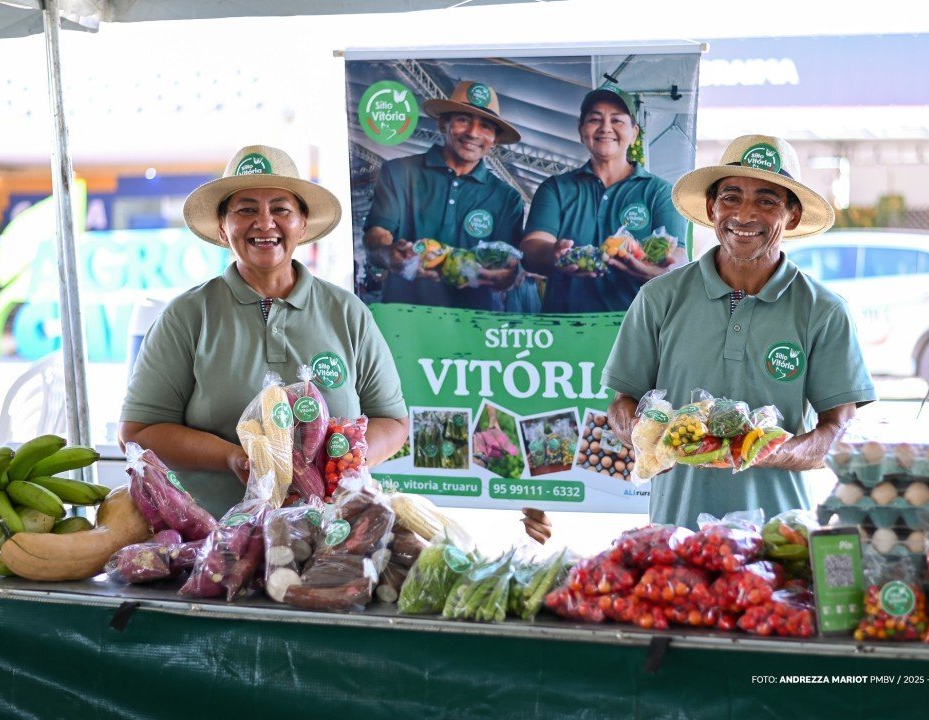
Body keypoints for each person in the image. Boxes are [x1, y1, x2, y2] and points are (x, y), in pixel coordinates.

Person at [597, 134, 877, 528]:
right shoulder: (659, 297)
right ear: (712, 208)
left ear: (792, 216)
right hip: (676, 535)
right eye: (731, 197)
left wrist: (766, 451)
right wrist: (647, 438)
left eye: (767, 201)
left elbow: (837, 429)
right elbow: (622, 403)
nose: (744, 215)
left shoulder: (823, 310)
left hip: (779, 539)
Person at [119, 145, 409, 516]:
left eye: (281, 209)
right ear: (223, 229)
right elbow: (138, 431)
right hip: (213, 538)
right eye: (246, 210)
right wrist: (234, 458)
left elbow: (394, 421)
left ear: (302, 225)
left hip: (333, 531)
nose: (265, 222)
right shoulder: (188, 315)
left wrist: (343, 461)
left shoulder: (347, 313)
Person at [521, 84, 688, 313]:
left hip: (636, 328)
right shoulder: (556, 189)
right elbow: (532, 247)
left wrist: (659, 270)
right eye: (595, 119)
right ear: (581, 131)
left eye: (617, 120)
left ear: (634, 133)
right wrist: (554, 254)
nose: (605, 128)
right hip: (565, 329)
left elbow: (678, 257)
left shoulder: (658, 192)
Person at [363, 80, 525, 311]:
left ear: (495, 139)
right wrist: (390, 255)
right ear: (443, 123)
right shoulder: (400, 172)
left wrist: (507, 276)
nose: (473, 133)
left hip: (475, 325)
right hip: (404, 318)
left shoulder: (507, 197)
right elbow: (377, 235)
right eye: (463, 120)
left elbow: (509, 264)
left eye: (486, 126)